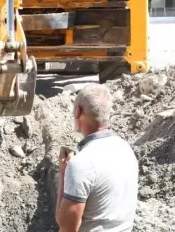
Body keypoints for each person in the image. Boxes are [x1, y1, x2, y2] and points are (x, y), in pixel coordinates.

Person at [56, 84, 139, 232]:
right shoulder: (125, 149)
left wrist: (64, 173)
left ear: (77, 111)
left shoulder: (81, 164)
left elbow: (67, 227)